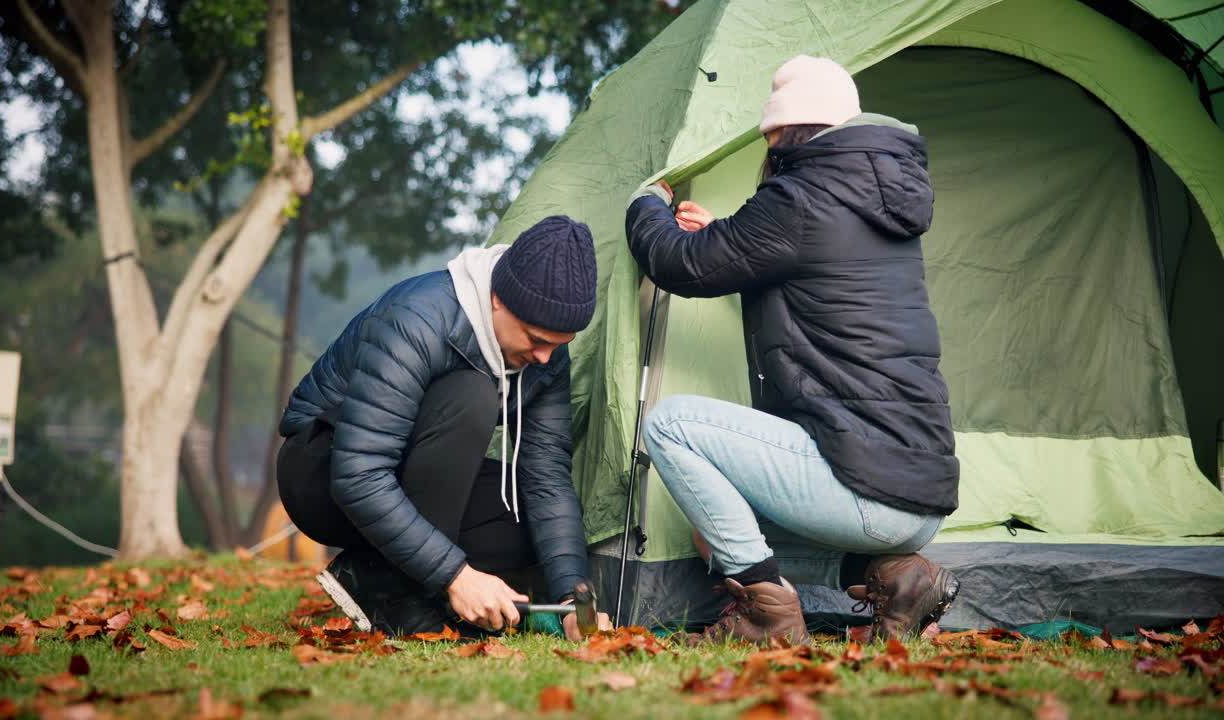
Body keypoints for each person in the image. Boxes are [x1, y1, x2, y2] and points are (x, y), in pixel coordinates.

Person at [625, 56, 960, 645]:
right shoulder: (867, 191)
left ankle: (766, 618)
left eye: (769, 138)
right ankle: (899, 579)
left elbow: (678, 263)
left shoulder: (801, 196)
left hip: (870, 488)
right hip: (917, 495)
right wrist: (727, 238)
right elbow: (802, 275)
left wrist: (645, 204)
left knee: (672, 426)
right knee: (717, 538)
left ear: (785, 133)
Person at [276, 215, 611, 639]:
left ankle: (372, 575)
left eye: (558, 345)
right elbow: (358, 473)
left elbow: (546, 480)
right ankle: (404, 595)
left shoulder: (545, 360)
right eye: (535, 338)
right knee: (471, 396)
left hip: (403, 480)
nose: (546, 357)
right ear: (497, 301)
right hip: (321, 472)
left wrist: (570, 599)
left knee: (528, 514)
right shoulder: (418, 318)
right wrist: (457, 576)